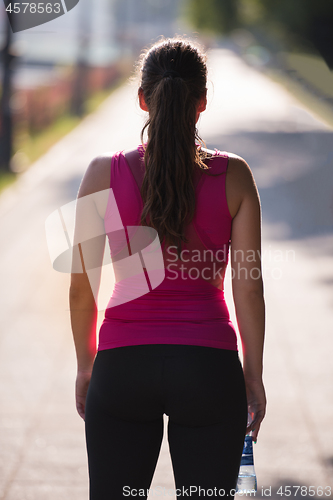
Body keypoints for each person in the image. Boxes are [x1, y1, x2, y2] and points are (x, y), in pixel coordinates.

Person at [69, 37, 266, 499]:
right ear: (202, 101)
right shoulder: (234, 175)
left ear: (143, 100)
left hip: (121, 367)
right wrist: (252, 376)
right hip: (208, 368)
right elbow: (249, 291)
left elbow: (82, 289)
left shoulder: (102, 173)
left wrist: (85, 364)